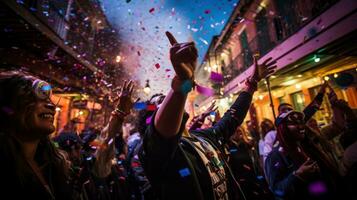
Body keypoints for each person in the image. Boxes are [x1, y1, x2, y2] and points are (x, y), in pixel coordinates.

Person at [140, 31, 276, 200]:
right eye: (160, 103)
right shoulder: (158, 153)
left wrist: (251, 85)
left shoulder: (204, 138)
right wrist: (182, 82)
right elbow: (161, 135)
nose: (166, 102)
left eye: (166, 98)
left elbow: (232, 118)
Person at [0, 71, 71, 199]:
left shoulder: (52, 164)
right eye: (33, 98)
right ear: (8, 109)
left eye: (48, 99)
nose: (51, 105)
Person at [265, 110, 342, 200]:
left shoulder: (307, 147)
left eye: (301, 122)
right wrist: (297, 175)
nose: (301, 127)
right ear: (283, 128)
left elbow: (317, 186)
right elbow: (277, 190)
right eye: (294, 123)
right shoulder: (275, 156)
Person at [228, 126, 274, 200]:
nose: (239, 133)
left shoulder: (248, 145)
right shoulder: (228, 147)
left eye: (240, 131)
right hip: (240, 182)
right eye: (236, 131)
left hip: (253, 178)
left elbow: (256, 161)